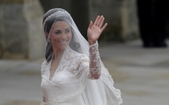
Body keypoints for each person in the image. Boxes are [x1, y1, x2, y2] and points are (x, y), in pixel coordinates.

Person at [40, 8, 122, 105]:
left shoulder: (78, 60)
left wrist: (93, 44)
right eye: (58, 32)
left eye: (67, 31)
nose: (64, 36)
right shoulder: (46, 65)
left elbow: (95, 74)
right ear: (48, 34)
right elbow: (45, 99)